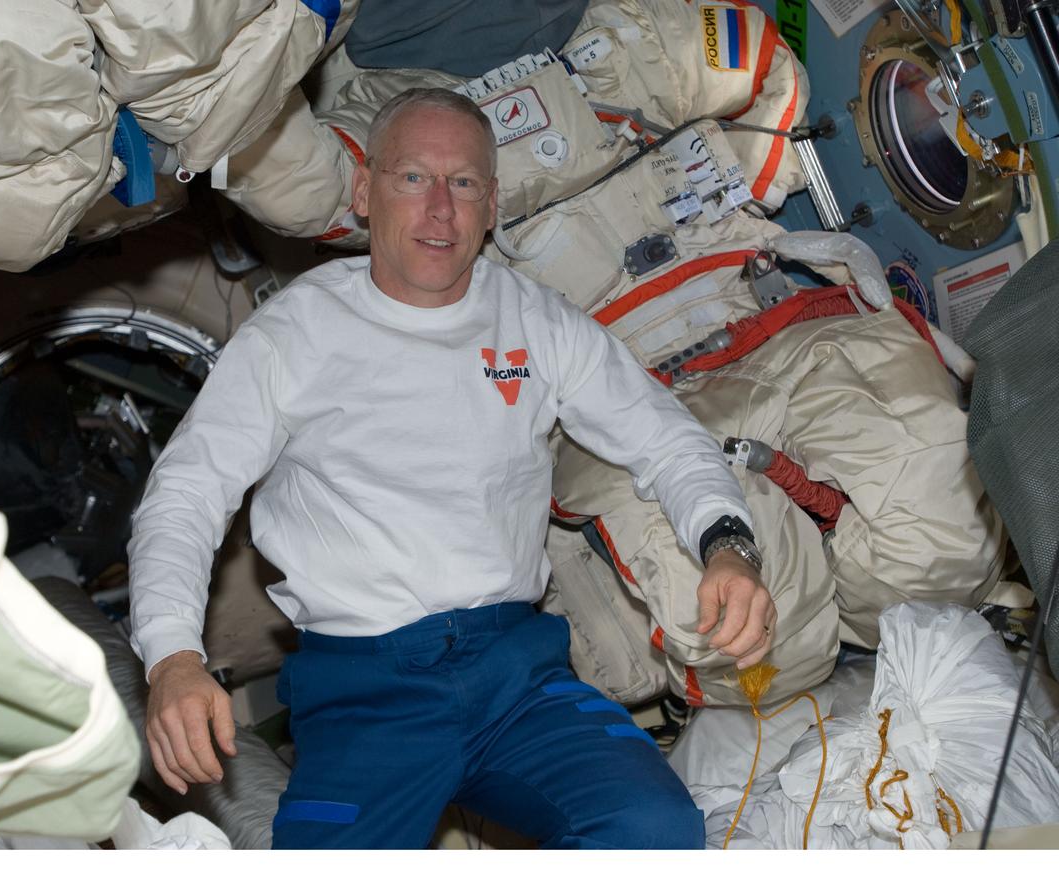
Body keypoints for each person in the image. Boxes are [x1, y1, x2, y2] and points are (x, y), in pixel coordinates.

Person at [127, 87, 776, 849]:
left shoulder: (535, 320)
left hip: (518, 679)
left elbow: (666, 439)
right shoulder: (294, 335)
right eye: (412, 177)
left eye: (463, 183)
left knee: (655, 831)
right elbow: (186, 494)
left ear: (492, 205)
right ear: (365, 192)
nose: (440, 209)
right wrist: (172, 657)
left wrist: (729, 547)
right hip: (365, 694)